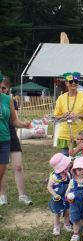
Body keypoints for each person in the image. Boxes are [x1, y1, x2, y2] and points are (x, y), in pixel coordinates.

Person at [0, 73, 31, 218]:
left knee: (14, 166)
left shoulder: (8, 100)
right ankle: (2, 195)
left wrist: (24, 124)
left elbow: (14, 120)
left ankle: (22, 195)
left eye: (3, 87)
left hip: (8, 136)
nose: (2, 89)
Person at [53, 72, 83, 155]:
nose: (73, 83)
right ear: (66, 83)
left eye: (76, 81)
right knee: (66, 161)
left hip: (81, 135)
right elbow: (56, 117)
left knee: (81, 161)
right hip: (65, 134)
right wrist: (63, 116)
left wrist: (78, 116)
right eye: (71, 81)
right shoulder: (61, 98)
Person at [47, 153, 73, 235]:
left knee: (67, 212)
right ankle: (56, 227)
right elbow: (49, 187)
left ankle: (67, 224)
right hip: (58, 198)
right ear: (63, 167)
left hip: (67, 197)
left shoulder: (68, 174)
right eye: (67, 164)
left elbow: (70, 184)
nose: (70, 164)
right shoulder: (54, 177)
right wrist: (55, 194)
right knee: (57, 213)